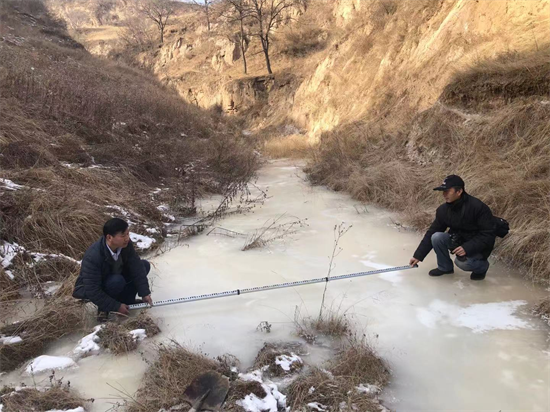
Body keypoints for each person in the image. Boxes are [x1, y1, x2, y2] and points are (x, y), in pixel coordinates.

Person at [409, 175, 496, 281]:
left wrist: (467, 248)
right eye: (443, 191)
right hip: (459, 240)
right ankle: (445, 268)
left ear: (459, 191)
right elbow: (432, 231)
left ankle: (481, 268)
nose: (444, 194)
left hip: (477, 245)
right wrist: (418, 255)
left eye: (447, 191)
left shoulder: (478, 207)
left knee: (462, 263)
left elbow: (488, 235)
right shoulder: (443, 210)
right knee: (436, 237)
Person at [73, 218, 153, 317]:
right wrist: (116, 306)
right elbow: (92, 290)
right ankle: (103, 311)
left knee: (144, 265)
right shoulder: (93, 256)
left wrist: (144, 292)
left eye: (128, 234)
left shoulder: (126, 245)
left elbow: (136, 266)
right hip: (97, 287)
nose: (127, 238)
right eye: (123, 235)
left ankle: (128, 301)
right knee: (116, 281)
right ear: (109, 237)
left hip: (115, 277)